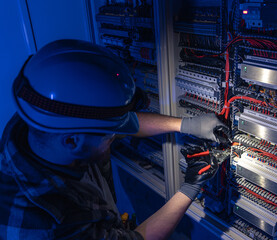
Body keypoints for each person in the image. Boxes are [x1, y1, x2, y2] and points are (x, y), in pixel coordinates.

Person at [0, 39, 224, 239]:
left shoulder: (40, 118)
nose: (117, 137)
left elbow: (115, 123)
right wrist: (189, 189)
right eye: (111, 137)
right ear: (72, 142)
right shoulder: (48, 224)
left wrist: (185, 124)